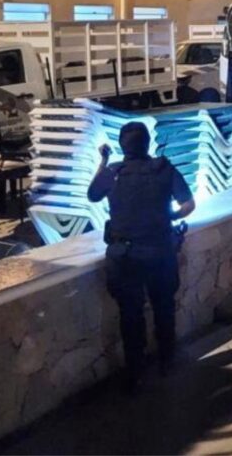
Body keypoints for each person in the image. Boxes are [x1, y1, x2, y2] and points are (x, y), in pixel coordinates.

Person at [87, 122, 196, 391]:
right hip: (159, 249)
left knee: (130, 314)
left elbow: (92, 195)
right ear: (147, 144)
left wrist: (103, 159)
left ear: (123, 147)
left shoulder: (113, 172)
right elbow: (189, 204)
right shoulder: (163, 168)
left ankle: (135, 372)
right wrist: (169, 216)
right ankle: (167, 362)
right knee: (163, 308)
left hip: (124, 255)